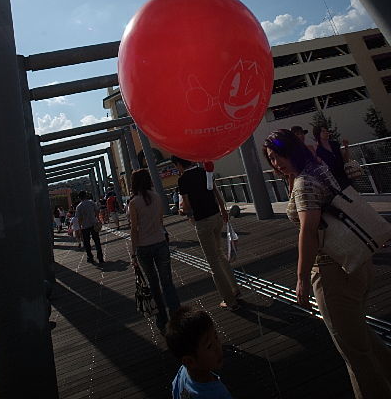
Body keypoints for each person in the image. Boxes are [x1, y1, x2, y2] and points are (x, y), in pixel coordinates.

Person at [263, 129, 391, 399]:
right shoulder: (316, 168)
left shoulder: (303, 183)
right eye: (271, 159)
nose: (275, 163)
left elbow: (309, 232)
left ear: (292, 151)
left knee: (354, 354)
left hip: (333, 271)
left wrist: (300, 280)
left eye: (279, 155)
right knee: (361, 335)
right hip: (357, 260)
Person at [172, 156, 240, 310]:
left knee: (214, 263)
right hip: (216, 217)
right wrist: (223, 210)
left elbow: (187, 206)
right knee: (221, 255)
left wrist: (181, 211)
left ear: (178, 164)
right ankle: (235, 289)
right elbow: (216, 192)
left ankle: (229, 301)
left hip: (203, 222)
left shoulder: (183, 181)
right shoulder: (204, 171)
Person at [129, 168, 180, 335]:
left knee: (154, 285)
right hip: (160, 243)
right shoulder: (158, 197)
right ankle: (178, 318)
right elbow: (160, 221)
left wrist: (133, 252)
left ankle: (162, 320)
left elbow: (134, 229)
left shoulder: (134, 202)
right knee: (168, 283)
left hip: (143, 247)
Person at [166, 305, 233, 399]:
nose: (218, 346)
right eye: (209, 345)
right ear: (190, 361)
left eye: (216, 337)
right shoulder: (219, 394)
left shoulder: (182, 373)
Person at [75, 190, 104, 264]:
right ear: (86, 195)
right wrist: (98, 218)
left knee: (87, 243)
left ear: (79, 198)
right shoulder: (91, 202)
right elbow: (97, 211)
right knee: (97, 241)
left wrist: (80, 227)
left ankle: (90, 257)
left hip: (85, 227)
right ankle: (100, 257)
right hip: (93, 224)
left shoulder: (79, 207)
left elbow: (79, 218)